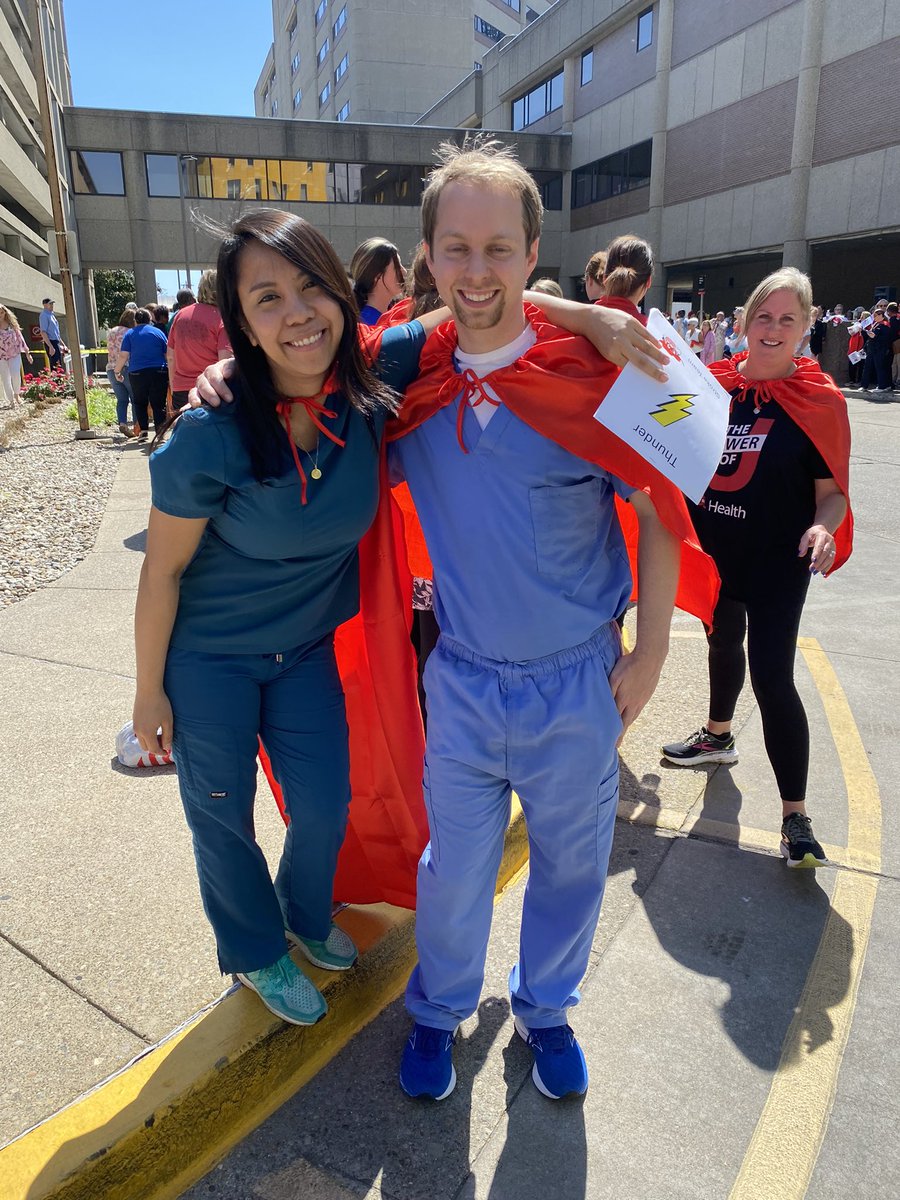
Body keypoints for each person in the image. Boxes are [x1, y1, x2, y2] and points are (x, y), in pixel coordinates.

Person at [384, 141, 713, 1103]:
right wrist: (219, 383)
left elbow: (659, 511)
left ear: (532, 253)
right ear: (429, 256)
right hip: (464, 678)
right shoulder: (407, 380)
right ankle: (439, 1011)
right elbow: (299, 372)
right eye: (456, 248)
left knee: (572, 862)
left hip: (577, 681)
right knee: (453, 869)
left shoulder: (594, 376)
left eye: (497, 248)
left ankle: (547, 1007)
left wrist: (650, 654)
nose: (475, 270)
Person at [132, 210, 432, 1027]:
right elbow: (161, 571)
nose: (296, 312)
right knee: (223, 816)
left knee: (325, 803)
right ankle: (256, 948)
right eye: (266, 298)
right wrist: (147, 694)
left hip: (302, 651)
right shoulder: (210, 431)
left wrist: (596, 317)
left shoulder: (368, 388)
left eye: (309, 286)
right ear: (242, 324)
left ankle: (305, 916)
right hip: (209, 661)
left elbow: (490, 307)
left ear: (339, 291)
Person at [662, 267, 852, 869]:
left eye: (786, 319)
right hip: (714, 552)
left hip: (778, 561)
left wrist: (825, 525)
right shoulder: (705, 383)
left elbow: (832, 492)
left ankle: (795, 816)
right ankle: (718, 736)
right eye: (762, 317)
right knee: (722, 640)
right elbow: (651, 440)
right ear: (743, 321)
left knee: (773, 678)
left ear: (806, 326)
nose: (772, 329)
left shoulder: (820, 401)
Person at [166, 270, 231, 408]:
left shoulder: (180, 315)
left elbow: (171, 356)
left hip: (180, 389)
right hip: (210, 389)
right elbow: (225, 361)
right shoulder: (222, 318)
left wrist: (173, 386)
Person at [115, 308, 168, 440]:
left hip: (137, 372)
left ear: (135, 320)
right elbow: (167, 354)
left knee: (139, 401)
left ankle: (143, 430)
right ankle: (160, 431)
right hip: (159, 370)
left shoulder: (130, 334)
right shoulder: (159, 333)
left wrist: (117, 371)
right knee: (159, 403)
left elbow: (123, 355)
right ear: (150, 319)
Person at [350, 237, 406, 325]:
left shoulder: (388, 316)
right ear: (377, 276)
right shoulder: (366, 324)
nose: (404, 272)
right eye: (396, 267)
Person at [106, 308, 136, 436]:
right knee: (135, 399)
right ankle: (137, 426)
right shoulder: (131, 332)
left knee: (122, 399)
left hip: (111, 368)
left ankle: (122, 423)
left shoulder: (112, 331)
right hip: (127, 367)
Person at [0, 304, 34, 406]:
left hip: (14, 354)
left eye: (1, 312)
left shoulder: (12, 325)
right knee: (5, 378)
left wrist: (28, 353)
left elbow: (20, 338)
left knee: (15, 374)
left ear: (5, 312)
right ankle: (11, 400)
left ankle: (17, 395)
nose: (0, 315)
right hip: (1, 356)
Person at [39, 298, 67, 371]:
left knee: (59, 365)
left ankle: (60, 381)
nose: (52, 305)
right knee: (55, 366)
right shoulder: (44, 315)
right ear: (44, 305)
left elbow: (56, 333)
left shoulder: (52, 315)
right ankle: (56, 382)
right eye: (50, 304)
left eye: (52, 304)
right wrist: (50, 346)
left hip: (55, 342)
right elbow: (43, 332)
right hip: (51, 342)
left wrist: (63, 344)